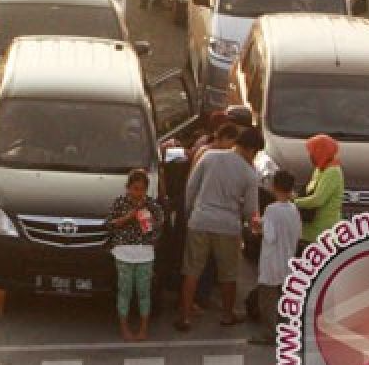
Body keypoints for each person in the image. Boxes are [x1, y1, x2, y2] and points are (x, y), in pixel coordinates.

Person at [175, 127, 262, 331]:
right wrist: (251, 225)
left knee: (191, 270)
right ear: (251, 149)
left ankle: (185, 316)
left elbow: (191, 188)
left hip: (200, 220)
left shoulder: (209, 156)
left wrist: (190, 213)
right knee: (228, 273)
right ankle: (227, 315)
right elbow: (251, 210)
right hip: (228, 226)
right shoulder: (249, 173)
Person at [109, 169, 164, 341]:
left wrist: (148, 222)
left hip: (145, 253)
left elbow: (159, 226)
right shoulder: (120, 202)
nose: (137, 193)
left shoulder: (152, 205)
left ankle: (143, 328)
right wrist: (129, 217)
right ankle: (124, 327)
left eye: (141, 189)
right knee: (124, 291)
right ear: (128, 188)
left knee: (143, 292)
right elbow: (110, 225)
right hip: (123, 252)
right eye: (134, 188)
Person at [250, 169, 300, 346]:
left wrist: (257, 226)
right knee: (284, 295)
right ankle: (286, 329)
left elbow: (270, 236)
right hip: (287, 257)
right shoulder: (294, 209)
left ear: (274, 186)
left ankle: (269, 333)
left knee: (267, 300)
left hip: (271, 261)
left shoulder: (271, 209)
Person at [294, 134, 345, 251]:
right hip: (311, 229)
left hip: (324, 231)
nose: (310, 156)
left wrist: (294, 202)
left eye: (313, 152)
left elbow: (318, 200)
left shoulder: (332, 172)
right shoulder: (320, 168)